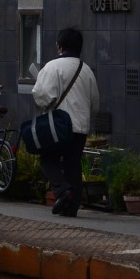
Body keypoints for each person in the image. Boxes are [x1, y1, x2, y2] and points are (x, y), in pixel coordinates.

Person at [32, 27, 100, 217]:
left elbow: (42, 98)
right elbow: (95, 105)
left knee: (48, 158)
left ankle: (62, 191)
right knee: (73, 164)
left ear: (59, 46)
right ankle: (72, 207)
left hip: (58, 126)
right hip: (80, 127)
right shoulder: (87, 71)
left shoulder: (52, 67)